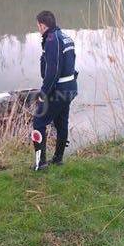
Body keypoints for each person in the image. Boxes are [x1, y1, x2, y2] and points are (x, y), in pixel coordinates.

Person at [31, 11, 78, 171]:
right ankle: (58, 159)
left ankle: (40, 164)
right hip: (70, 88)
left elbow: (53, 71)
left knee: (38, 122)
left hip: (59, 90)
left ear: (42, 25)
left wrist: (44, 93)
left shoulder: (52, 40)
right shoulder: (65, 37)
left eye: (38, 26)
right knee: (61, 123)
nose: (38, 29)